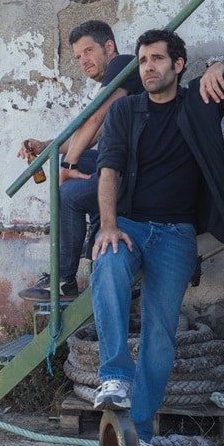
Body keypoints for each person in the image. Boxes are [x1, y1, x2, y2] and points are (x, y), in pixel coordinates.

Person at [90, 29, 224, 446]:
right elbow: (108, 169)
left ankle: (143, 441)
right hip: (130, 226)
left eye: (156, 59)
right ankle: (114, 375)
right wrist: (108, 225)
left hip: (176, 236)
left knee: (160, 335)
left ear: (178, 64)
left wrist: (220, 64)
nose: (148, 67)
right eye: (143, 60)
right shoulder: (126, 111)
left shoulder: (201, 99)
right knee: (107, 263)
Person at [18, 20, 144, 302]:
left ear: (108, 47)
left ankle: (64, 278)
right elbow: (88, 134)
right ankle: (94, 234)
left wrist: (68, 167)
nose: (83, 60)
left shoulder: (123, 64)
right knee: (82, 157)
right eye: (78, 56)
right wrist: (45, 146)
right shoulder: (118, 88)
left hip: (138, 172)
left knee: (68, 194)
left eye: (88, 51)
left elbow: (93, 118)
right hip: (123, 164)